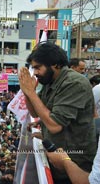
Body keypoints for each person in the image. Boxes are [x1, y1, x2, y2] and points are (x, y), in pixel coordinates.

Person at [19, 42, 97, 183]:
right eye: (33, 68)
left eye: (38, 68)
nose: (35, 73)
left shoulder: (74, 83)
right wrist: (27, 93)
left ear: (55, 65)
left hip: (75, 164)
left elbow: (55, 126)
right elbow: (36, 113)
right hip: (59, 160)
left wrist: (31, 93)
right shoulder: (50, 81)